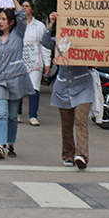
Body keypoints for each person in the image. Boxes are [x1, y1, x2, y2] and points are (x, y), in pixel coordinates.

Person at [41, 11, 98, 169]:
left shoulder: (87, 42)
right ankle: (68, 154)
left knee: (81, 121)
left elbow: (103, 43)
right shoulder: (58, 41)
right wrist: (50, 24)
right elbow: (45, 42)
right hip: (63, 87)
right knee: (66, 124)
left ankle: (82, 155)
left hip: (83, 86)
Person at [0, 2, 34, 158]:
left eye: (4, 19)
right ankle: (1, 146)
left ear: (11, 22)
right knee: (1, 113)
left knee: (13, 115)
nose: (0, 22)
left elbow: (22, 16)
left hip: (15, 79)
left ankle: (10, 143)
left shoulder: (18, 34)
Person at [20, 0, 51, 126]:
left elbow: (45, 45)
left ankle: (33, 115)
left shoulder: (39, 26)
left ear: (32, 10)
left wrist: (47, 63)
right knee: (19, 87)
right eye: (23, 6)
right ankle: (17, 112)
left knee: (34, 88)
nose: (24, 8)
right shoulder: (17, 25)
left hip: (35, 62)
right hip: (21, 61)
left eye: (27, 6)